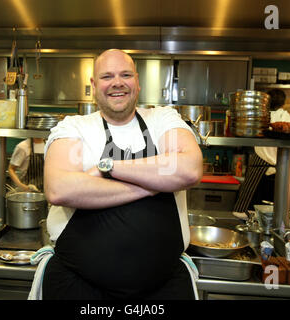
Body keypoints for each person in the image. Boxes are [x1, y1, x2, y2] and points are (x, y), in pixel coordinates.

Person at [42, 49, 203, 300]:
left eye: (125, 74)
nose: (117, 82)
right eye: (107, 76)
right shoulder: (74, 127)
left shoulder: (164, 119)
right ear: (94, 85)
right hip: (79, 287)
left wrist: (107, 168)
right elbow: (59, 189)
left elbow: (188, 169)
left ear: (137, 82)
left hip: (163, 289)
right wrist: (153, 186)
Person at [233, 89, 290, 215]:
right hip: (281, 174)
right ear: (283, 103)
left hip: (258, 170)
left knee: (247, 213)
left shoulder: (260, 119)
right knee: (275, 214)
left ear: (266, 103)